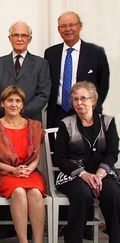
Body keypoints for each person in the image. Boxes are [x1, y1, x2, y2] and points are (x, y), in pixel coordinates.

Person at [54, 81, 119, 243]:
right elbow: (60, 157)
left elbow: (112, 152)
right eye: (75, 99)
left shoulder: (108, 122)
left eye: (83, 98)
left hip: (102, 172)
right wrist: (83, 174)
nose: (79, 102)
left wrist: (98, 174)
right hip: (72, 173)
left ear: (93, 100)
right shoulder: (66, 124)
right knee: (82, 194)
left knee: (113, 193)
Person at [0, 85, 46, 243]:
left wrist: (28, 170)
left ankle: (38, 241)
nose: (14, 104)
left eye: (18, 101)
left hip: (30, 172)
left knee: (35, 192)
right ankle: (23, 241)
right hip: (4, 173)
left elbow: (36, 156)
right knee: (18, 191)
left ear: (23, 104)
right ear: (2, 103)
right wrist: (14, 170)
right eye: (9, 100)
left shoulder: (34, 126)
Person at [44, 11, 110, 128]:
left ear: (80, 26)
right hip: (58, 113)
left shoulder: (96, 53)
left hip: (86, 113)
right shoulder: (50, 53)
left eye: (72, 25)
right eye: (63, 26)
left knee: (85, 146)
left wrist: (90, 105)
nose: (67, 29)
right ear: (59, 30)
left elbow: (103, 85)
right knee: (57, 146)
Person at [0, 21, 51, 122]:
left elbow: (43, 95)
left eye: (24, 35)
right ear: (10, 38)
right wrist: (8, 112)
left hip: (31, 121)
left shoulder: (41, 64)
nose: (20, 39)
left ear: (29, 39)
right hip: (2, 121)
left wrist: (20, 112)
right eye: (16, 35)